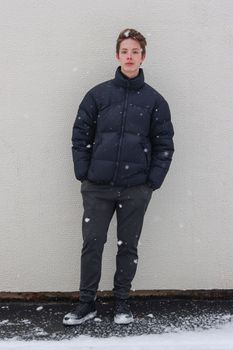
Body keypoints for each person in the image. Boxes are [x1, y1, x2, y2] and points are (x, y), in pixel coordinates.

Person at [63, 28, 174, 326]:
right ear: (117, 55)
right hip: (97, 187)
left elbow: (164, 144)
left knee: (128, 246)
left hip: (135, 188)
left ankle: (122, 303)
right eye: (125, 51)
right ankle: (87, 304)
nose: (129, 56)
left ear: (143, 57)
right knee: (93, 244)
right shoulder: (97, 95)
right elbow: (80, 135)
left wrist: (152, 181)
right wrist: (83, 172)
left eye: (135, 52)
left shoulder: (154, 101)